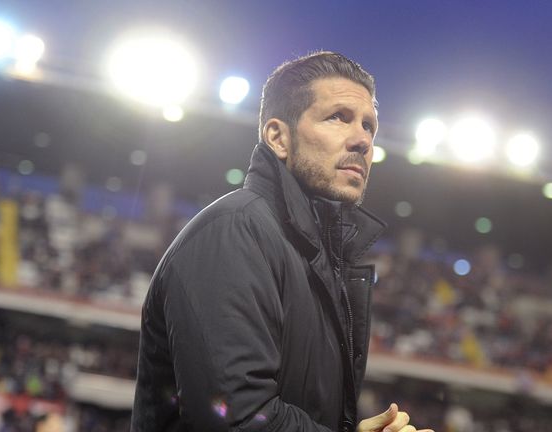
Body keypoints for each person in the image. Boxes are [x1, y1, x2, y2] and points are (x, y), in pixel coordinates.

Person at [131, 51, 432, 432]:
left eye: (369, 126)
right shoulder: (236, 232)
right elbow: (235, 419)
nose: (362, 140)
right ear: (278, 137)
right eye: (338, 117)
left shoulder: (315, 258)